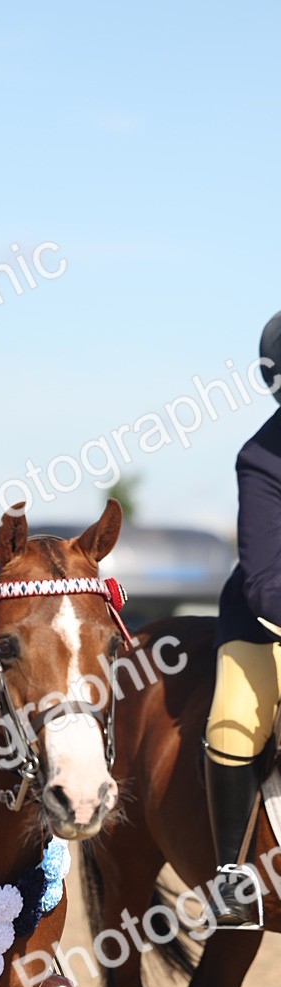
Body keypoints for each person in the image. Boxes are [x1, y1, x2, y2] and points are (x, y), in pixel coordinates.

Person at [203, 309, 281, 928]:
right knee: (236, 719)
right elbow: (263, 580)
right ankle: (232, 877)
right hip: (266, 617)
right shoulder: (262, 459)